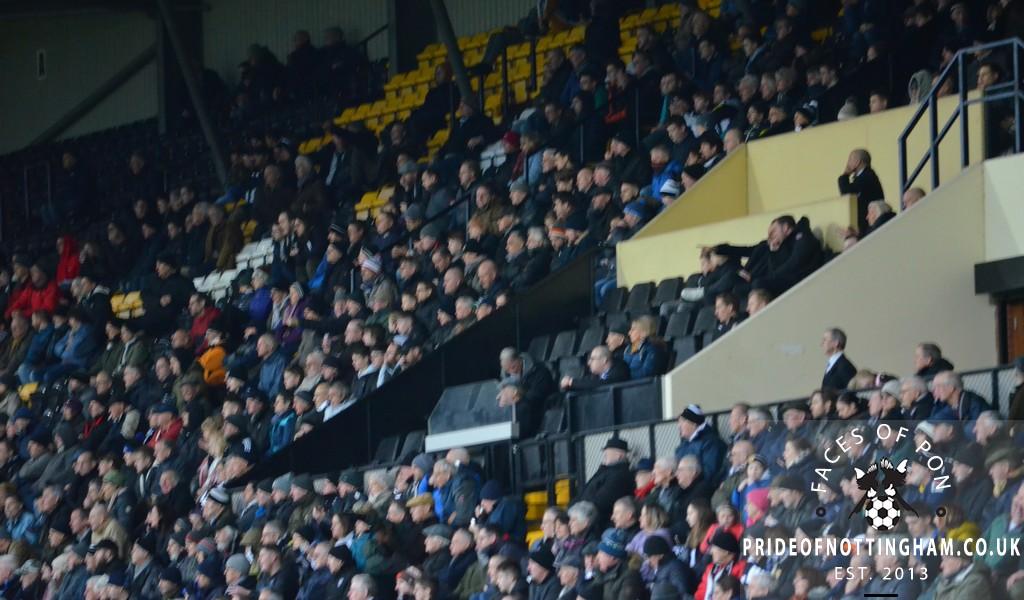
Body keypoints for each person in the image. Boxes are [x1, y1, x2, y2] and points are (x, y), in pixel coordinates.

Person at [837, 148, 885, 235]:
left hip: (869, 224)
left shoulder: (867, 176)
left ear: (858, 161)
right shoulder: (864, 176)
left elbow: (846, 193)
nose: (848, 163)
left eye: (850, 159)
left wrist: (845, 175)